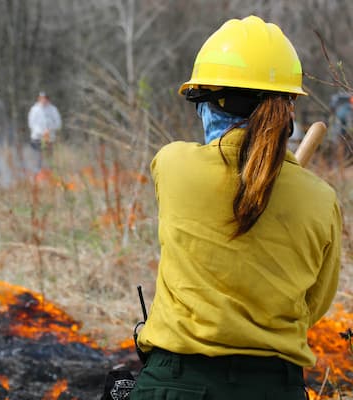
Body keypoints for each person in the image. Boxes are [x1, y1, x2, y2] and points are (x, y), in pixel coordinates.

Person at [130, 16, 341, 400]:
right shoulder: (321, 199)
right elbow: (314, 305)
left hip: (176, 382)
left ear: (212, 103)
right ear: (289, 109)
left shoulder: (173, 165)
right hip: (273, 387)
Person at [28, 91, 62, 170]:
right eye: (41, 98)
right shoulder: (34, 109)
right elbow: (31, 124)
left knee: (49, 159)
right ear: (39, 99)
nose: (43, 100)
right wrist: (41, 132)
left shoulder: (53, 109)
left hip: (49, 138)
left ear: (48, 99)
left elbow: (58, 123)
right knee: (37, 158)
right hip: (37, 138)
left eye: (45, 98)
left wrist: (49, 130)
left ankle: (50, 174)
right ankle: (37, 174)